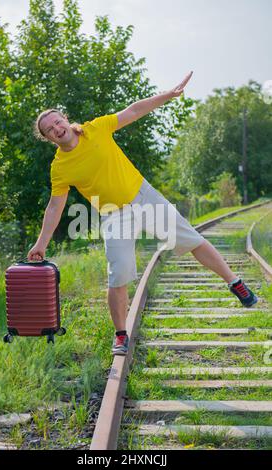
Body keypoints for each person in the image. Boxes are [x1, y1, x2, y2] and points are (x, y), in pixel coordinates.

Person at [27, 71, 258, 356]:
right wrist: (41, 243)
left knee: (192, 239)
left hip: (143, 195)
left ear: (64, 118)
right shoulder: (60, 167)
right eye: (50, 129)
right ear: (48, 137)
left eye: (57, 121)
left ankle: (235, 284)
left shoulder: (95, 128)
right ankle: (121, 334)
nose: (57, 128)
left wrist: (168, 95)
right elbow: (55, 206)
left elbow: (133, 110)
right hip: (113, 214)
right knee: (119, 273)